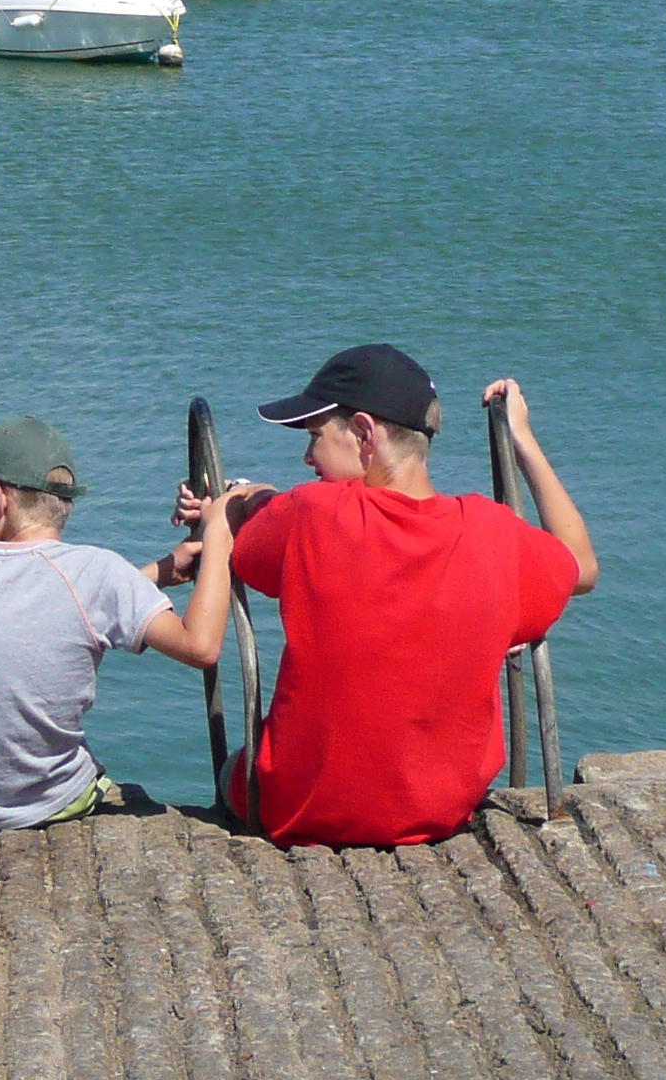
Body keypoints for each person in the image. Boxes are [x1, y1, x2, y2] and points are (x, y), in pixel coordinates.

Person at [165, 345, 598, 848]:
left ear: (365, 434)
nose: (307, 458)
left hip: (296, 808)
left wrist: (232, 495)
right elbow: (581, 566)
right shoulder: (494, 533)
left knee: (235, 768)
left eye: (314, 437)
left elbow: (255, 512)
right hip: (443, 811)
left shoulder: (309, 514)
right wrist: (522, 439)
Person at [0, 418, 233, 833]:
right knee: (95, 777)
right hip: (41, 805)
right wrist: (220, 538)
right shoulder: (97, 572)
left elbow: (53, 604)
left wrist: (156, 573)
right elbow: (200, 646)